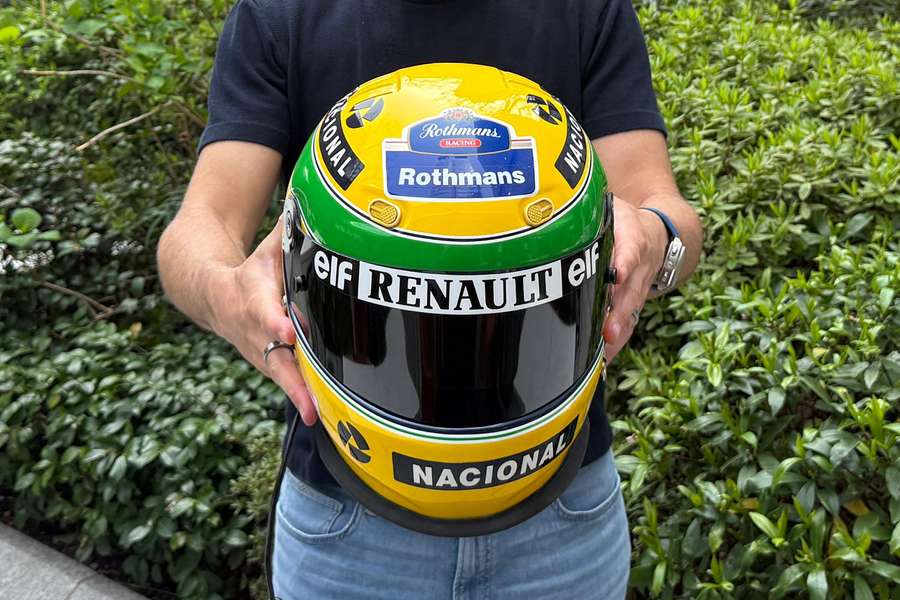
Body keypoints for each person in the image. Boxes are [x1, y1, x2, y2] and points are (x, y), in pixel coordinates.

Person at [157, 1, 702, 598]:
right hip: (348, 528)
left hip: (561, 516)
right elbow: (199, 226)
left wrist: (655, 241)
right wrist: (225, 291)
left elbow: (664, 208)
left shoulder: (584, 10)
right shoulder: (281, 15)